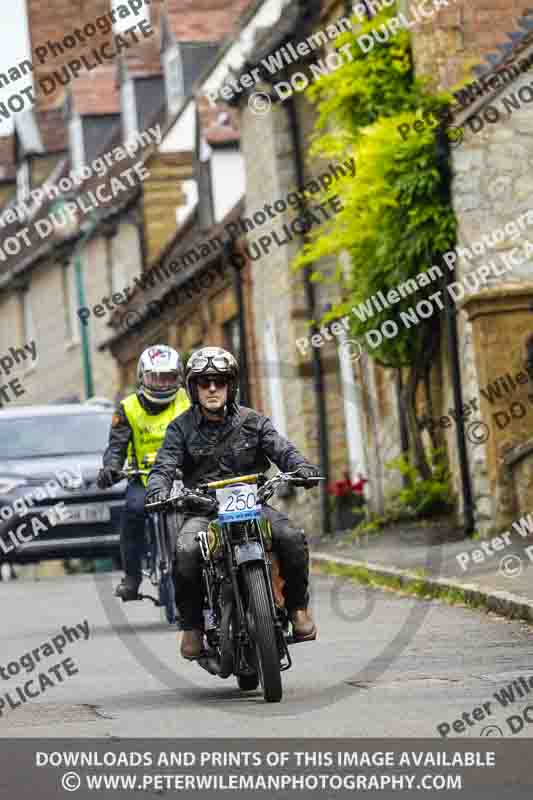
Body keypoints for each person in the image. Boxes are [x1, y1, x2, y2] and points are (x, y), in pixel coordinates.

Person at [144, 346, 321, 660]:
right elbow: (164, 465)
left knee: (292, 538)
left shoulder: (254, 421)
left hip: (253, 505)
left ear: (231, 385)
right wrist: (157, 489)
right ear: (193, 388)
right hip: (204, 512)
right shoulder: (179, 428)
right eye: (204, 382)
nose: (212, 388)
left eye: (220, 381)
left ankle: (297, 609)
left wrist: (302, 467)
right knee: (185, 553)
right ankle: (193, 628)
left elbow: (282, 449)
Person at [97, 345, 190, 600]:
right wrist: (111, 468)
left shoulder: (189, 399)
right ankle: (132, 576)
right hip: (144, 480)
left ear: (179, 377)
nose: (161, 385)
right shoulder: (127, 408)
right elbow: (116, 447)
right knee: (132, 514)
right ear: (142, 378)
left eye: (168, 378)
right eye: (154, 378)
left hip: (185, 475)